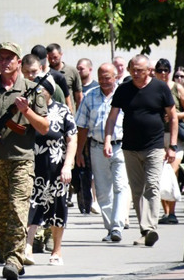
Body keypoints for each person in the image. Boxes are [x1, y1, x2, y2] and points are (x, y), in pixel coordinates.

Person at [0, 42, 49, 280]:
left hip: (21, 159)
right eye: (0, 58)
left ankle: (14, 259)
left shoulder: (32, 89)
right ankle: (6, 252)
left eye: (9, 58)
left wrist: (27, 112)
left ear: (18, 61)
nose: (4, 62)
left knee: (17, 208)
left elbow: (44, 128)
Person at [104, 54, 177, 247]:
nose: (136, 73)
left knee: (151, 186)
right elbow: (112, 118)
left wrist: (172, 146)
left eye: (140, 70)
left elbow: (173, 117)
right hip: (130, 148)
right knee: (137, 191)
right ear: (128, 70)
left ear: (148, 71)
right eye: (133, 70)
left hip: (154, 146)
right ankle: (145, 229)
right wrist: (107, 140)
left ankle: (149, 228)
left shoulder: (160, 88)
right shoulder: (124, 89)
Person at [24, 78, 77, 267]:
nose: (37, 93)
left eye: (41, 90)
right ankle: (27, 248)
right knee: (32, 206)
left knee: (58, 208)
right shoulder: (28, 110)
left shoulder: (62, 110)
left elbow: (72, 139)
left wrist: (68, 165)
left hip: (57, 167)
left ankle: (56, 251)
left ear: (49, 92)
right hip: (33, 166)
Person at [75, 63, 129, 242]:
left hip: (121, 147)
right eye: (101, 77)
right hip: (96, 147)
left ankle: (117, 226)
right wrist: (79, 152)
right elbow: (81, 126)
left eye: (108, 77)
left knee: (120, 186)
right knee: (103, 190)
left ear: (115, 77)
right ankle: (110, 227)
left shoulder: (124, 95)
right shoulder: (89, 97)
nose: (104, 81)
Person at [152, 59, 184, 224]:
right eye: (160, 70)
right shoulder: (152, 87)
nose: (163, 73)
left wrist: (175, 116)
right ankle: (166, 213)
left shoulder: (177, 88)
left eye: (166, 70)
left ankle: (172, 212)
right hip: (157, 135)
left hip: (175, 136)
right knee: (158, 174)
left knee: (172, 172)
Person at [47, 43, 83, 111]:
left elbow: (79, 96)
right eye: (50, 58)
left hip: (69, 111)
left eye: (55, 57)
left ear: (61, 54)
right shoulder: (45, 73)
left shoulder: (72, 71)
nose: (52, 60)